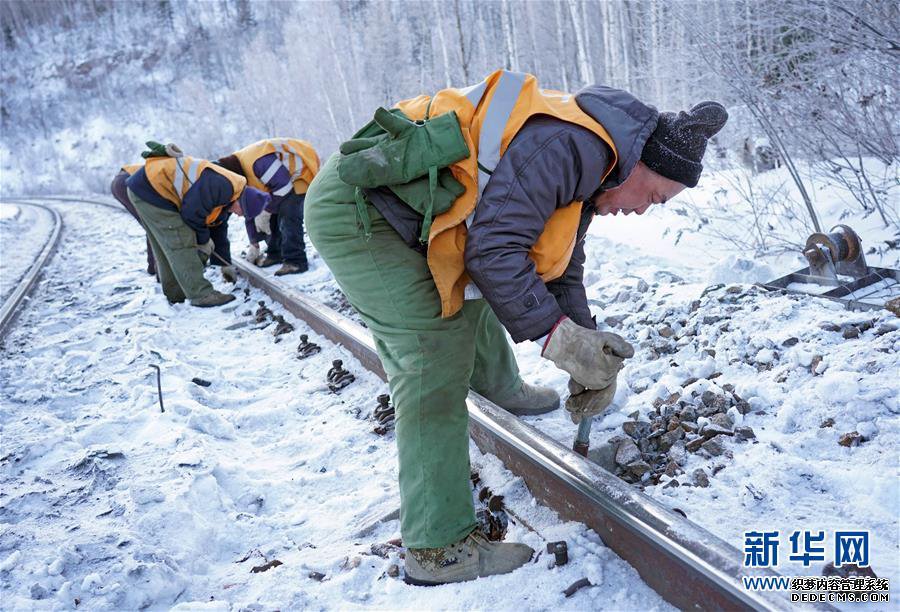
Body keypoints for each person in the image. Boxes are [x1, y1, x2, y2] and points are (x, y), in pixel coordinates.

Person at [304, 70, 727, 585]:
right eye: (655, 197)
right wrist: (559, 342)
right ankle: (437, 548)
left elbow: (559, 263)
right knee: (432, 358)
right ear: (641, 164)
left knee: (481, 291)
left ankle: (498, 387)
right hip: (361, 212)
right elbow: (494, 251)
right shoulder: (573, 147)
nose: (642, 209)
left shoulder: (598, 160)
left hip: (415, 215)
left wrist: (588, 347)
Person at [125, 143, 270, 307]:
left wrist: (224, 262)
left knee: (168, 246)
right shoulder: (224, 187)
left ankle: (176, 293)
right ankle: (201, 294)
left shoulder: (229, 194)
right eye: (241, 212)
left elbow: (218, 227)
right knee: (181, 241)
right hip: (153, 189)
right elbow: (191, 214)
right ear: (242, 202)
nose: (238, 215)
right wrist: (203, 241)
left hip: (147, 189)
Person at [216, 138, 319, 276]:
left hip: (300, 174)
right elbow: (249, 210)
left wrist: (266, 209)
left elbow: (283, 188)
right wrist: (254, 243)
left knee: (287, 213)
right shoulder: (238, 177)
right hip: (279, 183)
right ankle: (275, 253)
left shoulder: (258, 163)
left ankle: (295, 261)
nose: (235, 213)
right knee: (270, 215)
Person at [111, 163, 156, 275]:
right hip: (126, 182)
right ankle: (154, 267)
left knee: (151, 225)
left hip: (120, 181)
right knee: (153, 226)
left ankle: (153, 266)